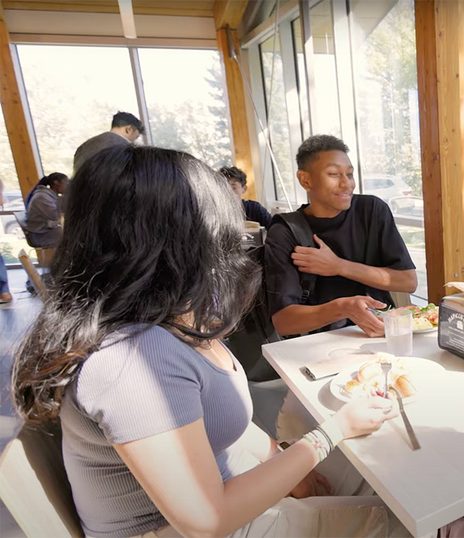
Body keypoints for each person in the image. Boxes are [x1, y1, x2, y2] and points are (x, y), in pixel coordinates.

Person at [12, 145, 408, 537]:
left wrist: (293, 468)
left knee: (374, 474)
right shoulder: (131, 358)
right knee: (407, 517)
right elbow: (207, 521)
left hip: (226, 488)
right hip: (188, 527)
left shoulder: (160, 321)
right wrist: (330, 433)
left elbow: (224, 424)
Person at [263, 134, 417, 338]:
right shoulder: (285, 232)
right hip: (318, 344)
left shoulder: (371, 210)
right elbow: (284, 322)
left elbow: (408, 282)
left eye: (350, 174)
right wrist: (344, 307)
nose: (347, 184)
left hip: (380, 335)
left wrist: (338, 266)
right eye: (334, 174)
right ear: (305, 179)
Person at [72, 111, 145, 174]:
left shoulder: (84, 146)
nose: (134, 141)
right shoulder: (125, 148)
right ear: (128, 129)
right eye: (136, 137)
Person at [25, 172, 68, 249]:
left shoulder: (49, 196)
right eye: (66, 183)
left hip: (45, 230)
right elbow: (55, 216)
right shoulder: (42, 197)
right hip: (40, 235)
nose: (67, 186)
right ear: (56, 183)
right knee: (75, 236)